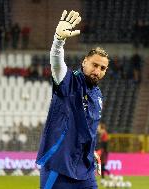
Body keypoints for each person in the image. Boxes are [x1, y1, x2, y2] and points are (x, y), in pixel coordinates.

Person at [36, 10, 109, 189]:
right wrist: (58, 40)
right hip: (58, 167)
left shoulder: (97, 95)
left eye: (102, 68)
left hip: (84, 169)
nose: (97, 70)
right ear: (84, 62)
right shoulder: (69, 82)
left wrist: (91, 151)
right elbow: (57, 63)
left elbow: (87, 130)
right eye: (94, 65)